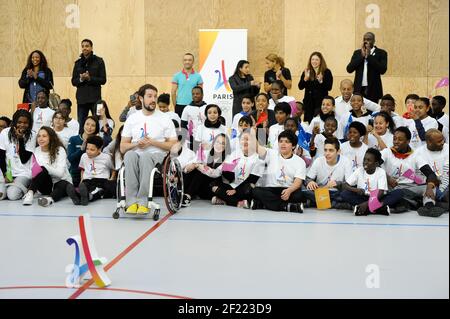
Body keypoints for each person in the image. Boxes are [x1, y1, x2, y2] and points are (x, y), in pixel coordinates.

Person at [120, 84, 177, 214]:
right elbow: (123, 147)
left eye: (155, 96)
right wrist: (136, 145)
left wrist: (152, 142)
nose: (153, 100)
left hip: (156, 155)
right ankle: (131, 201)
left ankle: (142, 201)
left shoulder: (165, 118)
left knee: (145, 156)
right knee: (129, 155)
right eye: (149, 96)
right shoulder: (132, 118)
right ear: (141, 98)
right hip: (136, 152)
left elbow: (173, 145)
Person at [380, 127, 443, 215]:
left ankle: (428, 207)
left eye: (400, 139)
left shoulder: (415, 155)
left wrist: (429, 187)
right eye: (394, 139)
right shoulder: (386, 152)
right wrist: (387, 178)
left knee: (431, 188)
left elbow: (430, 174)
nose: (396, 142)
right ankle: (413, 203)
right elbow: (375, 165)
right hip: (392, 189)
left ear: (408, 141)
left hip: (409, 188)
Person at [251, 130, 306, 212]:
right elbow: (257, 147)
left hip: (288, 189)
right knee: (256, 191)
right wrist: (252, 132)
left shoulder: (299, 161)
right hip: (272, 189)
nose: (283, 144)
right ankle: (286, 207)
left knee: (299, 195)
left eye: (287, 142)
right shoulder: (271, 154)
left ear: (293, 146)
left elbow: (298, 182)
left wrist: (289, 191)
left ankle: (263, 204)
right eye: (280, 141)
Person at [340, 148, 402, 216]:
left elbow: (380, 193)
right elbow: (345, 185)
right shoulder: (359, 170)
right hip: (363, 197)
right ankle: (379, 209)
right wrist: (355, 190)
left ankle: (365, 209)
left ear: (376, 164)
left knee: (398, 193)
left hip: (377, 198)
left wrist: (367, 204)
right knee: (344, 194)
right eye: (364, 159)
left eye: (369, 160)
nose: (365, 162)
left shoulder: (381, 172)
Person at [211, 129, 264, 207]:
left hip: (247, 187)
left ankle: (227, 200)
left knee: (249, 188)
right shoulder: (235, 154)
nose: (245, 142)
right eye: (243, 139)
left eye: (248, 139)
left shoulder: (258, 159)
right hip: (234, 185)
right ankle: (239, 202)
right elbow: (228, 175)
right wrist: (224, 168)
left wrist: (236, 190)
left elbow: (252, 179)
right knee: (214, 187)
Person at [22, 127, 72, 206]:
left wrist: (45, 166)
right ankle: (30, 193)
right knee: (42, 169)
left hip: (61, 182)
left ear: (51, 137)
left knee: (63, 184)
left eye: (44, 136)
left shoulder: (59, 150)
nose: (41, 139)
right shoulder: (36, 150)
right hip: (46, 185)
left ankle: (49, 199)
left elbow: (61, 174)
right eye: (39, 136)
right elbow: (34, 172)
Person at [182, 133, 231, 206]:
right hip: (201, 184)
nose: (219, 145)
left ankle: (187, 196)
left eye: (223, 143)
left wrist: (198, 165)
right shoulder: (206, 152)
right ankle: (184, 193)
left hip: (214, 185)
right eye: (217, 142)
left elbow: (215, 174)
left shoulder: (228, 158)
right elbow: (192, 162)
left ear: (226, 147)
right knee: (194, 169)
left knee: (200, 171)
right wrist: (188, 168)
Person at [304, 137, 352, 208]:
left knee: (348, 194)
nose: (327, 153)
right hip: (320, 190)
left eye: (331, 150)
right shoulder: (318, 161)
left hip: (336, 192)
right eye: (325, 150)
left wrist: (338, 183)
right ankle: (334, 204)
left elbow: (349, 184)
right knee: (303, 190)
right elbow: (307, 178)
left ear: (338, 151)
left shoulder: (346, 161)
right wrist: (310, 182)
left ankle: (316, 202)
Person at [66, 135, 115, 205]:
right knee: (85, 185)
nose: (88, 151)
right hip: (88, 180)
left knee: (104, 187)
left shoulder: (106, 157)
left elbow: (113, 169)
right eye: (87, 149)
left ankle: (83, 196)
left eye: (92, 150)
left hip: (101, 180)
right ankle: (80, 195)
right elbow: (82, 169)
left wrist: (111, 178)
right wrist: (81, 180)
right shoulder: (84, 156)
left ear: (99, 149)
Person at [71, 39, 107, 134]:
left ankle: (98, 143)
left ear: (91, 48)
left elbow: (103, 80)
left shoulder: (99, 61)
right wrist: (81, 79)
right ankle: (82, 144)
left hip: (96, 99)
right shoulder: (77, 63)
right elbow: (73, 81)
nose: (84, 48)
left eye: (87, 46)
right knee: (82, 124)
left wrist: (90, 78)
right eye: (82, 46)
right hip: (81, 99)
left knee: (99, 122)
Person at [0, 110, 36, 201]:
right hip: (8, 173)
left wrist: (20, 139)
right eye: (19, 122)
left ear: (30, 123)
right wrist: (5, 174)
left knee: (12, 195)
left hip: (23, 173)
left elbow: (24, 159)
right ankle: (10, 187)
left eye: (25, 123)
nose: (22, 125)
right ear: (14, 122)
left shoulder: (32, 135)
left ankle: (23, 186)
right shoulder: (5, 133)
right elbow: (1, 156)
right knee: (1, 195)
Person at [414, 129, 449, 217]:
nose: (442, 143)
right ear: (429, 142)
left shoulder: (447, 148)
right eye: (439, 141)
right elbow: (412, 173)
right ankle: (430, 207)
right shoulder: (418, 153)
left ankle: (438, 204)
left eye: (443, 140)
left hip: (445, 184)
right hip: (428, 184)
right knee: (429, 187)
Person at [346, 32, 387, 103]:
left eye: (368, 39)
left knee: (372, 112)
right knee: (359, 111)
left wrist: (369, 56)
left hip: (373, 90)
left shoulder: (381, 53)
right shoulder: (357, 53)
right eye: (364, 39)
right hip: (359, 90)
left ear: (374, 41)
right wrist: (362, 56)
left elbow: (382, 70)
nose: (366, 41)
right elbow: (349, 69)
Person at [298, 52, 333, 123]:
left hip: (321, 103)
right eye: (312, 59)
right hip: (309, 103)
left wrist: (321, 81)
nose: (314, 61)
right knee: (309, 123)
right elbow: (300, 86)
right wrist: (305, 79)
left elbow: (329, 87)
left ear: (320, 61)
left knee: (319, 123)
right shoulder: (307, 71)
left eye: (316, 60)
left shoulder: (326, 72)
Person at [67, 116, 100, 187]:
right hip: (76, 172)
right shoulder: (73, 139)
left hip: (92, 173)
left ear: (96, 128)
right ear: (83, 125)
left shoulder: (98, 141)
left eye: (93, 125)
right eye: (87, 124)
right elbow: (70, 158)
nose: (89, 127)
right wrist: (81, 149)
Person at [171, 53, 203, 118]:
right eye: (185, 60)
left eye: (189, 60)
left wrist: (199, 105)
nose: (187, 62)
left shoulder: (198, 76)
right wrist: (176, 105)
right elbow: (173, 92)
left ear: (193, 62)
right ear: (183, 61)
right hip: (180, 105)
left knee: (194, 126)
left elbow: (200, 93)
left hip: (194, 105)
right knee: (181, 127)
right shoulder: (177, 75)